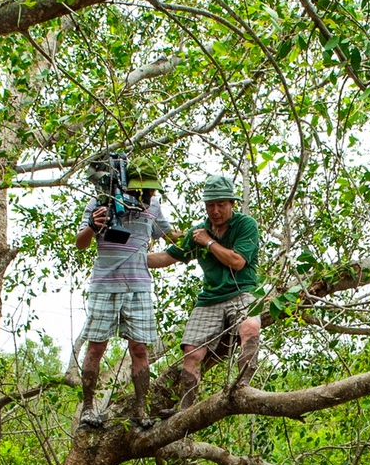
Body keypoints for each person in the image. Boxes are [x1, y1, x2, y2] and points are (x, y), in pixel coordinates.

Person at [148, 174, 261, 414]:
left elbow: (238, 261)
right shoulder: (198, 232)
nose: (216, 210)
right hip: (209, 299)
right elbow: (168, 257)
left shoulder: (245, 225)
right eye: (211, 205)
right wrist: (132, 259)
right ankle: (184, 409)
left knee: (250, 326)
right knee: (192, 351)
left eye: (221, 204)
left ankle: (243, 388)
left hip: (241, 291)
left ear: (232, 204)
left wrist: (209, 242)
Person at [73, 157, 170, 429]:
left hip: (139, 286)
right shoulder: (99, 203)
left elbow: (172, 236)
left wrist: (201, 240)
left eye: (152, 190)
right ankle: (88, 409)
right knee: (96, 346)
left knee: (140, 348)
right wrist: (93, 226)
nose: (150, 195)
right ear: (132, 187)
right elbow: (80, 244)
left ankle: (140, 410)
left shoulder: (153, 208)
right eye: (145, 190)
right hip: (105, 284)